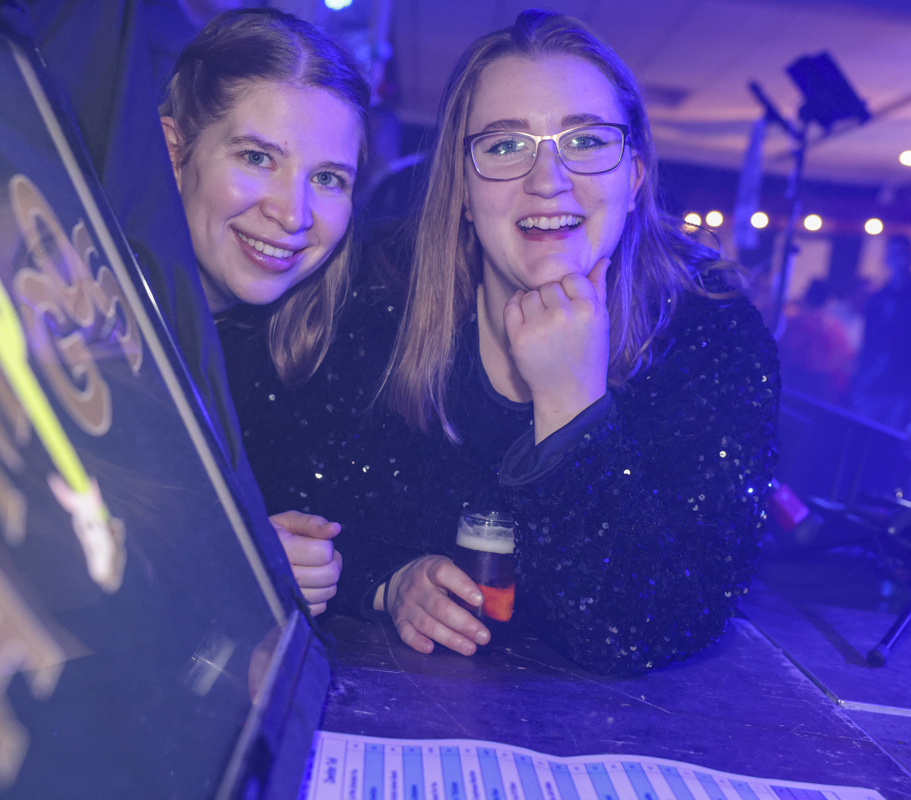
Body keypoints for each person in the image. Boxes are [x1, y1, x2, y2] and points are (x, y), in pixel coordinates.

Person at [226, 10, 779, 676]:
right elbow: (284, 507)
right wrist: (385, 581)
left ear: (633, 178)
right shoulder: (370, 302)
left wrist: (572, 406)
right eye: (506, 145)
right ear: (462, 191)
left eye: (586, 141)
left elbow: (647, 627)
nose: (548, 180)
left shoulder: (710, 336)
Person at [159, 9, 371, 615]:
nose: (293, 213)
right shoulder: (79, 311)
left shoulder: (307, 356)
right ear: (174, 152)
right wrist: (222, 560)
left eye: (328, 178)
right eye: (257, 158)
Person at [850, 235, 911, 431]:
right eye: (894, 254)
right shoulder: (876, 300)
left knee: (897, 442)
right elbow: (868, 343)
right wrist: (861, 380)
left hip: (908, 390)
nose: (899, 260)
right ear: (886, 259)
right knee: (868, 441)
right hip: (874, 388)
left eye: (903, 254)